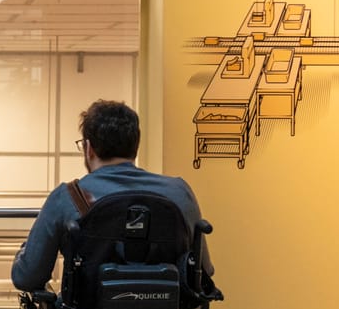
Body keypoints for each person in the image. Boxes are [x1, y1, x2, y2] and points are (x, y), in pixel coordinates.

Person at [11, 99, 212, 292]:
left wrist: (24, 253)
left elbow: (27, 277)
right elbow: (205, 270)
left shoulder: (68, 196)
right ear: (135, 146)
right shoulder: (179, 192)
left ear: (88, 148)